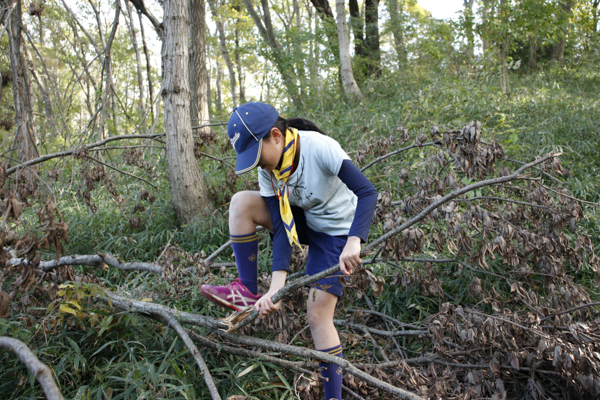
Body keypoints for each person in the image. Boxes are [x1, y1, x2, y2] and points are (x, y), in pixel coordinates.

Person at [201, 101, 377, 400]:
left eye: (257, 156)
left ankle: (333, 397)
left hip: (337, 233)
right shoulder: (268, 170)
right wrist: (276, 288)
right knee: (242, 202)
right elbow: (282, 226)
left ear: (276, 135)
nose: (257, 165)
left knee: (317, 315)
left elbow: (367, 192)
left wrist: (354, 240)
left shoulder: (318, 147)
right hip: (303, 221)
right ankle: (247, 289)